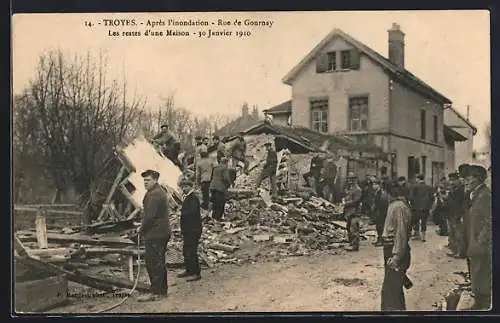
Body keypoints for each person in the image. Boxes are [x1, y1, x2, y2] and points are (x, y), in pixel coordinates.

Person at [460, 163, 492, 310]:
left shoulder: (485, 196)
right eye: (465, 178)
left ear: (478, 179)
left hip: (481, 245)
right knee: (476, 274)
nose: (465, 181)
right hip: (473, 242)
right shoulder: (473, 194)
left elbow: (490, 221)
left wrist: (480, 241)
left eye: (469, 178)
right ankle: (479, 303)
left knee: (481, 274)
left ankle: (482, 306)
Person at [137, 169, 171, 301]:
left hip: (156, 233)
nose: (145, 183)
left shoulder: (154, 194)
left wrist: (140, 230)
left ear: (155, 180)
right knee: (159, 261)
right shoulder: (157, 192)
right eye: (144, 180)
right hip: (160, 232)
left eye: (148, 180)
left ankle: (156, 292)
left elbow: (149, 217)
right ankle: (162, 291)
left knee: (153, 262)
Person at [381, 183, 412, 311]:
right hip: (391, 248)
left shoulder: (398, 207)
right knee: (393, 289)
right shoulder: (395, 205)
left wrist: (396, 256)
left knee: (390, 292)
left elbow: (401, 233)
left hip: (394, 249)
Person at [177, 178, 202, 282]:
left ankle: (195, 273)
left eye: (186, 187)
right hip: (188, 229)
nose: (184, 189)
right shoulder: (188, 197)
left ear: (190, 187)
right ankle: (189, 270)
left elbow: (192, 212)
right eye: (182, 187)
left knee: (191, 251)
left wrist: (181, 213)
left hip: (193, 229)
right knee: (186, 250)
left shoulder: (193, 198)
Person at [445, 172, 466, 258]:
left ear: (457, 180)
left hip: (457, 214)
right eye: (450, 180)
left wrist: (461, 215)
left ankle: (461, 252)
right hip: (450, 213)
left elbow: (462, 203)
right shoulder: (452, 189)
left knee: (459, 234)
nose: (451, 182)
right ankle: (455, 251)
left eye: (453, 180)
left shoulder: (461, 189)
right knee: (452, 233)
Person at [409, 174, 434, 242]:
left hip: (416, 208)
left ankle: (417, 234)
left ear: (418, 179)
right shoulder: (429, 187)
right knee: (424, 222)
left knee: (415, 221)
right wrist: (430, 206)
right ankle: (423, 237)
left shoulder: (415, 187)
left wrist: (412, 205)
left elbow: (411, 197)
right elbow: (432, 198)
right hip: (426, 208)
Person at [343, 172, 362, 252]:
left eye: (351, 179)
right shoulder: (350, 188)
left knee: (354, 229)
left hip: (355, 212)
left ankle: (355, 245)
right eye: (349, 179)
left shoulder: (357, 189)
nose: (349, 180)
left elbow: (356, 201)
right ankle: (351, 243)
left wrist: (346, 203)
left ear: (355, 179)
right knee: (349, 228)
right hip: (349, 212)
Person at [209, 157, 232, 221]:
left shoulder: (215, 168)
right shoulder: (224, 168)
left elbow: (211, 177)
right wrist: (229, 184)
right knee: (220, 203)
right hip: (220, 187)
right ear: (226, 162)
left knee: (214, 202)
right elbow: (226, 178)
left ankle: (213, 216)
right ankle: (218, 218)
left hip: (213, 186)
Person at [372, 178, 389, 247]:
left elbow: (381, 203)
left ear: (378, 185)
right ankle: (379, 240)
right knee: (379, 227)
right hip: (379, 212)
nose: (373, 185)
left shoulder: (380, 193)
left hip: (381, 212)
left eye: (375, 184)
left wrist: (375, 209)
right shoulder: (378, 192)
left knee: (380, 227)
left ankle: (381, 240)